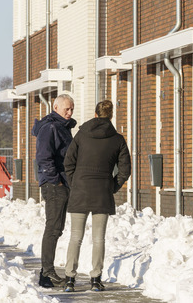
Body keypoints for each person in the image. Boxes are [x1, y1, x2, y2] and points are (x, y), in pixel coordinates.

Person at [63, 100, 131, 292]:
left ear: (95, 115)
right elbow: (125, 170)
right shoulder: (117, 139)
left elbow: (68, 162)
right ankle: (95, 279)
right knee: (99, 238)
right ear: (111, 116)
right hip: (102, 191)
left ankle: (69, 279)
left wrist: (74, 182)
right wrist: (112, 186)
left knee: (75, 236)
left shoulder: (81, 135)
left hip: (80, 190)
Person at [34, 93, 76, 288]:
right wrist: (56, 180)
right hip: (54, 185)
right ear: (56, 108)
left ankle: (46, 273)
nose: (70, 112)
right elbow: (44, 157)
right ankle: (47, 273)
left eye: (72, 109)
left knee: (56, 227)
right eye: (66, 109)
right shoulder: (51, 127)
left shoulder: (62, 127)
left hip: (62, 183)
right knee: (53, 227)